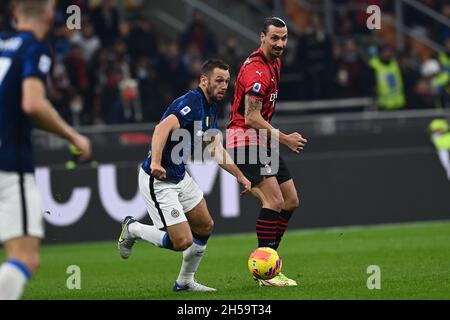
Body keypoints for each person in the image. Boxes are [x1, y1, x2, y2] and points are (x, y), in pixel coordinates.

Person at [117, 59, 251, 292]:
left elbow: (215, 149)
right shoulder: (191, 102)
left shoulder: (210, 107)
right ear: (204, 80)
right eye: (218, 80)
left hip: (180, 176)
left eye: (227, 82)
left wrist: (239, 175)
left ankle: (184, 282)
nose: (223, 86)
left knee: (205, 226)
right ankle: (132, 228)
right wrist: (157, 162)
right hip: (159, 179)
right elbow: (161, 128)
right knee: (182, 241)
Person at [0, 0, 91, 300]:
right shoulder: (35, 47)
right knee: (25, 258)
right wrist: (74, 136)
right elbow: (32, 103)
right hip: (10, 167)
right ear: (50, 14)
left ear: (15, 13)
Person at [226, 17, 307, 287]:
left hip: (261, 141)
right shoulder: (256, 71)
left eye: (284, 38)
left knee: (290, 200)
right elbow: (250, 117)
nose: (280, 43)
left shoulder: (275, 63)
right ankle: (266, 272)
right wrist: (285, 138)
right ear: (262, 37)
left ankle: (269, 259)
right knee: (273, 202)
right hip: (245, 140)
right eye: (275, 38)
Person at [369, 45, 406, 110]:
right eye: (386, 52)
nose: (388, 54)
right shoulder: (374, 64)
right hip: (382, 103)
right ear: (380, 53)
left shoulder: (395, 64)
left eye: (390, 52)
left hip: (398, 102)